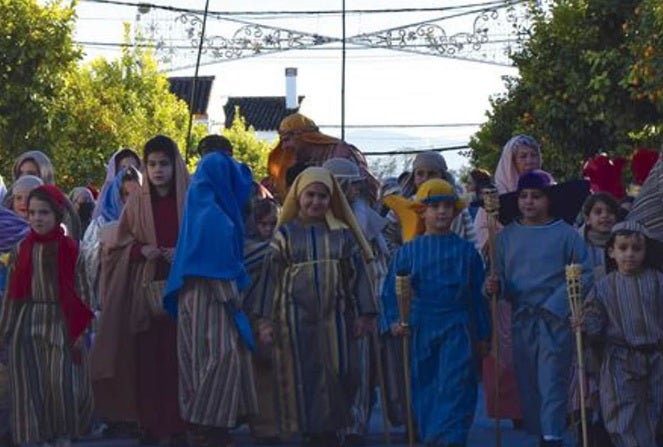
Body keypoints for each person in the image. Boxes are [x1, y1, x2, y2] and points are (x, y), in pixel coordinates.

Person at [250, 167, 376, 447]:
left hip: (337, 319)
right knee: (302, 374)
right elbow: (270, 278)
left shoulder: (342, 235)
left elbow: (358, 278)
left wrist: (365, 314)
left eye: (322, 196)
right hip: (293, 321)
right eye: (310, 195)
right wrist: (265, 321)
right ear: (299, 196)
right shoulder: (284, 234)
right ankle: (314, 432)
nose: (316, 202)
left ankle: (331, 430)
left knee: (341, 371)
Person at [89, 135, 189, 446]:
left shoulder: (190, 201)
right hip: (143, 294)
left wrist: (181, 252)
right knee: (147, 360)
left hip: (182, 294)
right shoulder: (136, 203)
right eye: (152, 164)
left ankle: (178, 426)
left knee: (179, 360)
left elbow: (203, 241)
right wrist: (140, 250)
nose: (158, 170)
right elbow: (115, 245)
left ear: (175, 166)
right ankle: (150, 425)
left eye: (164, 164)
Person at [485, 170, 593, 447]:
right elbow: (500, 277)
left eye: (536, 196)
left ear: (549, 199)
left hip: (554, 319)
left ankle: (552, 435)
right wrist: (494, 287)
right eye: (523, 196)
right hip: (522, 319)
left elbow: (584, 271)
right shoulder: (507, 237)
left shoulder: (566, 234)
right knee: (529, 381)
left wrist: (557, 303)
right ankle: (542, 430)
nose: (529, 202)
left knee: (552, 378)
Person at [381, 178, 490, 447]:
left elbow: (477, 295)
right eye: (434, 206)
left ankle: (450, 438)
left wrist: (484, 334)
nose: (442, 212)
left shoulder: (467, 252)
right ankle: (431, 437)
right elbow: (390, 292)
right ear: (422, 212)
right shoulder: (408, 252)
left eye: (447, 206)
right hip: (421, 327)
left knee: (457, 384)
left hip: (457, 326)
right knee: (425, 385)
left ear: (455, 212)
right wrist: (394, 321)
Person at [163, 147, 258, 447]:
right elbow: (217, 266)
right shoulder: (216, 217)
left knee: (196, 362)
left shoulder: (197, 203)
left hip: (191, 298)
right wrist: (234, 299)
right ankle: (212, 427)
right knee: (221, 359)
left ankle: (203, 425)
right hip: (213, 299)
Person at [0, 185, 94, 447]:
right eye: (32, 213)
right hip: (27, 321)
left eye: (44, 212)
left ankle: (62, 433)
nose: (37, 218)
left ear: (57, 215)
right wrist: (5, 330)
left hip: (61, 321)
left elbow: (84, 292)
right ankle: (34, 435)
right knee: (31, 381)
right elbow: (12, 292)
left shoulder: (72, 249)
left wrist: (80, 329)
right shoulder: (21, 249)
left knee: (60, 381)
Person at [476, 134, 545, 424]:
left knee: (547, 345)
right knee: (510, 345)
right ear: (511, 161)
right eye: (522, 156)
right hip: (510, 284)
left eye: (533, 155)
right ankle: (516, 408)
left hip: (545, 282)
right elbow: (483, 239)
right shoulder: (494, 200)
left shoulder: (549, 190)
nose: (529, 161)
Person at [577, 221, 663, 447]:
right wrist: (583, 324)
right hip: (620, 361)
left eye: (636, 249)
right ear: (611, 252)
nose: (630, 254)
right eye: (623, 248)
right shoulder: (603, 286)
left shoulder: (657, 281)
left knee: (652, 413)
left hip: (655, 358)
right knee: (622, 415)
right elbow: (594, 320)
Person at [323, 158, 389, 445]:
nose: (352, 192)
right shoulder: (316, 216)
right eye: (346, 186)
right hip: (324, 304)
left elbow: (378, 261)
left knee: (359, 367)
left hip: (360, 300)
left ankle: (354, 424)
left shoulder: (365, 216)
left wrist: (370, 306)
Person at [267, 112, 379, 202]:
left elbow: (366, 188)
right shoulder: (292, 160)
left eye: (287, 140)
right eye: (282, 141)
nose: (284, 146)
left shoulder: (342, 152)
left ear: (305, 137)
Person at [244, 198, 281, 445]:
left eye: (272, 224)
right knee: (261, 370)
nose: (267, 229)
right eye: (262, 224)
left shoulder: (277, 245)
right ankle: (264, 426)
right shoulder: (248, 246)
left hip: (276, 312)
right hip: (254, 313)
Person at [385, 151, 478, 250]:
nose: (425, 179)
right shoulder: (404, 206)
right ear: (414, 177)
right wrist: (401, 256)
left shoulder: (457, 207)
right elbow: (385, 238)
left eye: (432, 174)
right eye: (420, 174)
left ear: (442, 177)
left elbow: (473, 244)